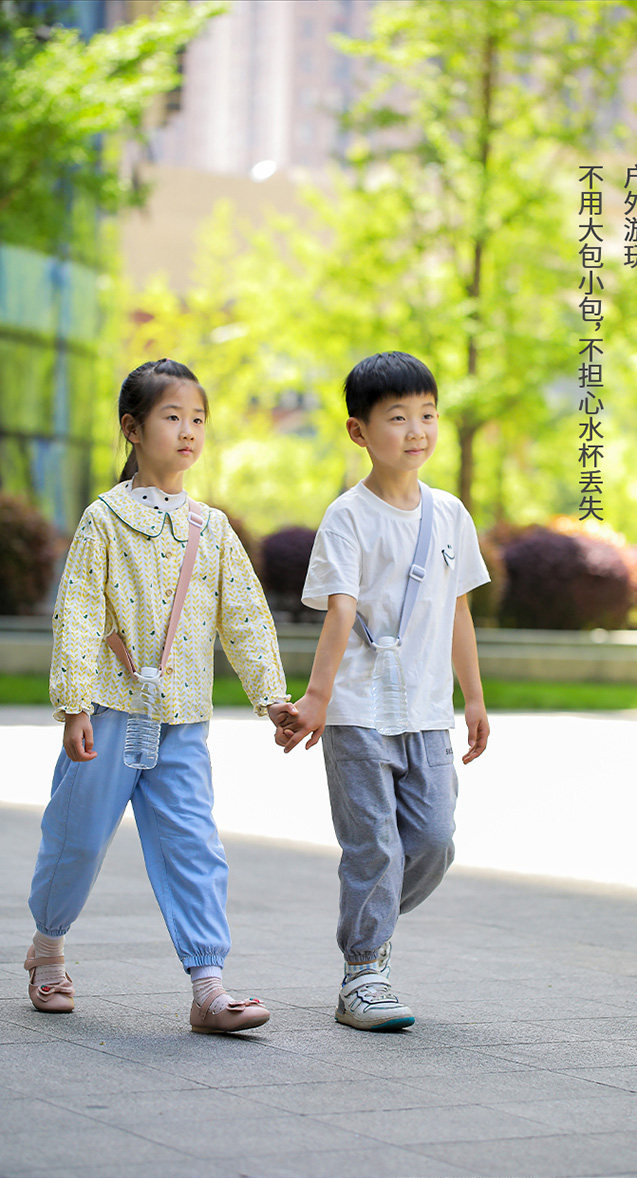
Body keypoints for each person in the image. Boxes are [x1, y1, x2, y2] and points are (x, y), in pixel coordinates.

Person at [25, 358, 291, 1035]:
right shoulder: (104, 520)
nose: (188, 431)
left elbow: (245, 617)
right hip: (109, 713)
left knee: (193, 843)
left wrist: (273, 699)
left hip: (182, 722)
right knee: (77, 837)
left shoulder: (212, 527)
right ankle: (48, 946)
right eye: (172, 417)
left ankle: (208, 988)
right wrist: (74, 704)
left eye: (198, 419)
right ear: (133, 428)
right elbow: (79, 612)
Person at [277, 351, 490, 1031]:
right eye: (397, 417)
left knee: (434, 840)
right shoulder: (348, 516)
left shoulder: (450, 514)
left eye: (427, 414)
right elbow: (340, 611)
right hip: (357, 712)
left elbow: (458, 611)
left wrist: (474, 698)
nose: (417, 430)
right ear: (359, 431)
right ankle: (363, 973)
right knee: (374, 846)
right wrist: (317, 697)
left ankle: (370, 922)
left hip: (427, 713)